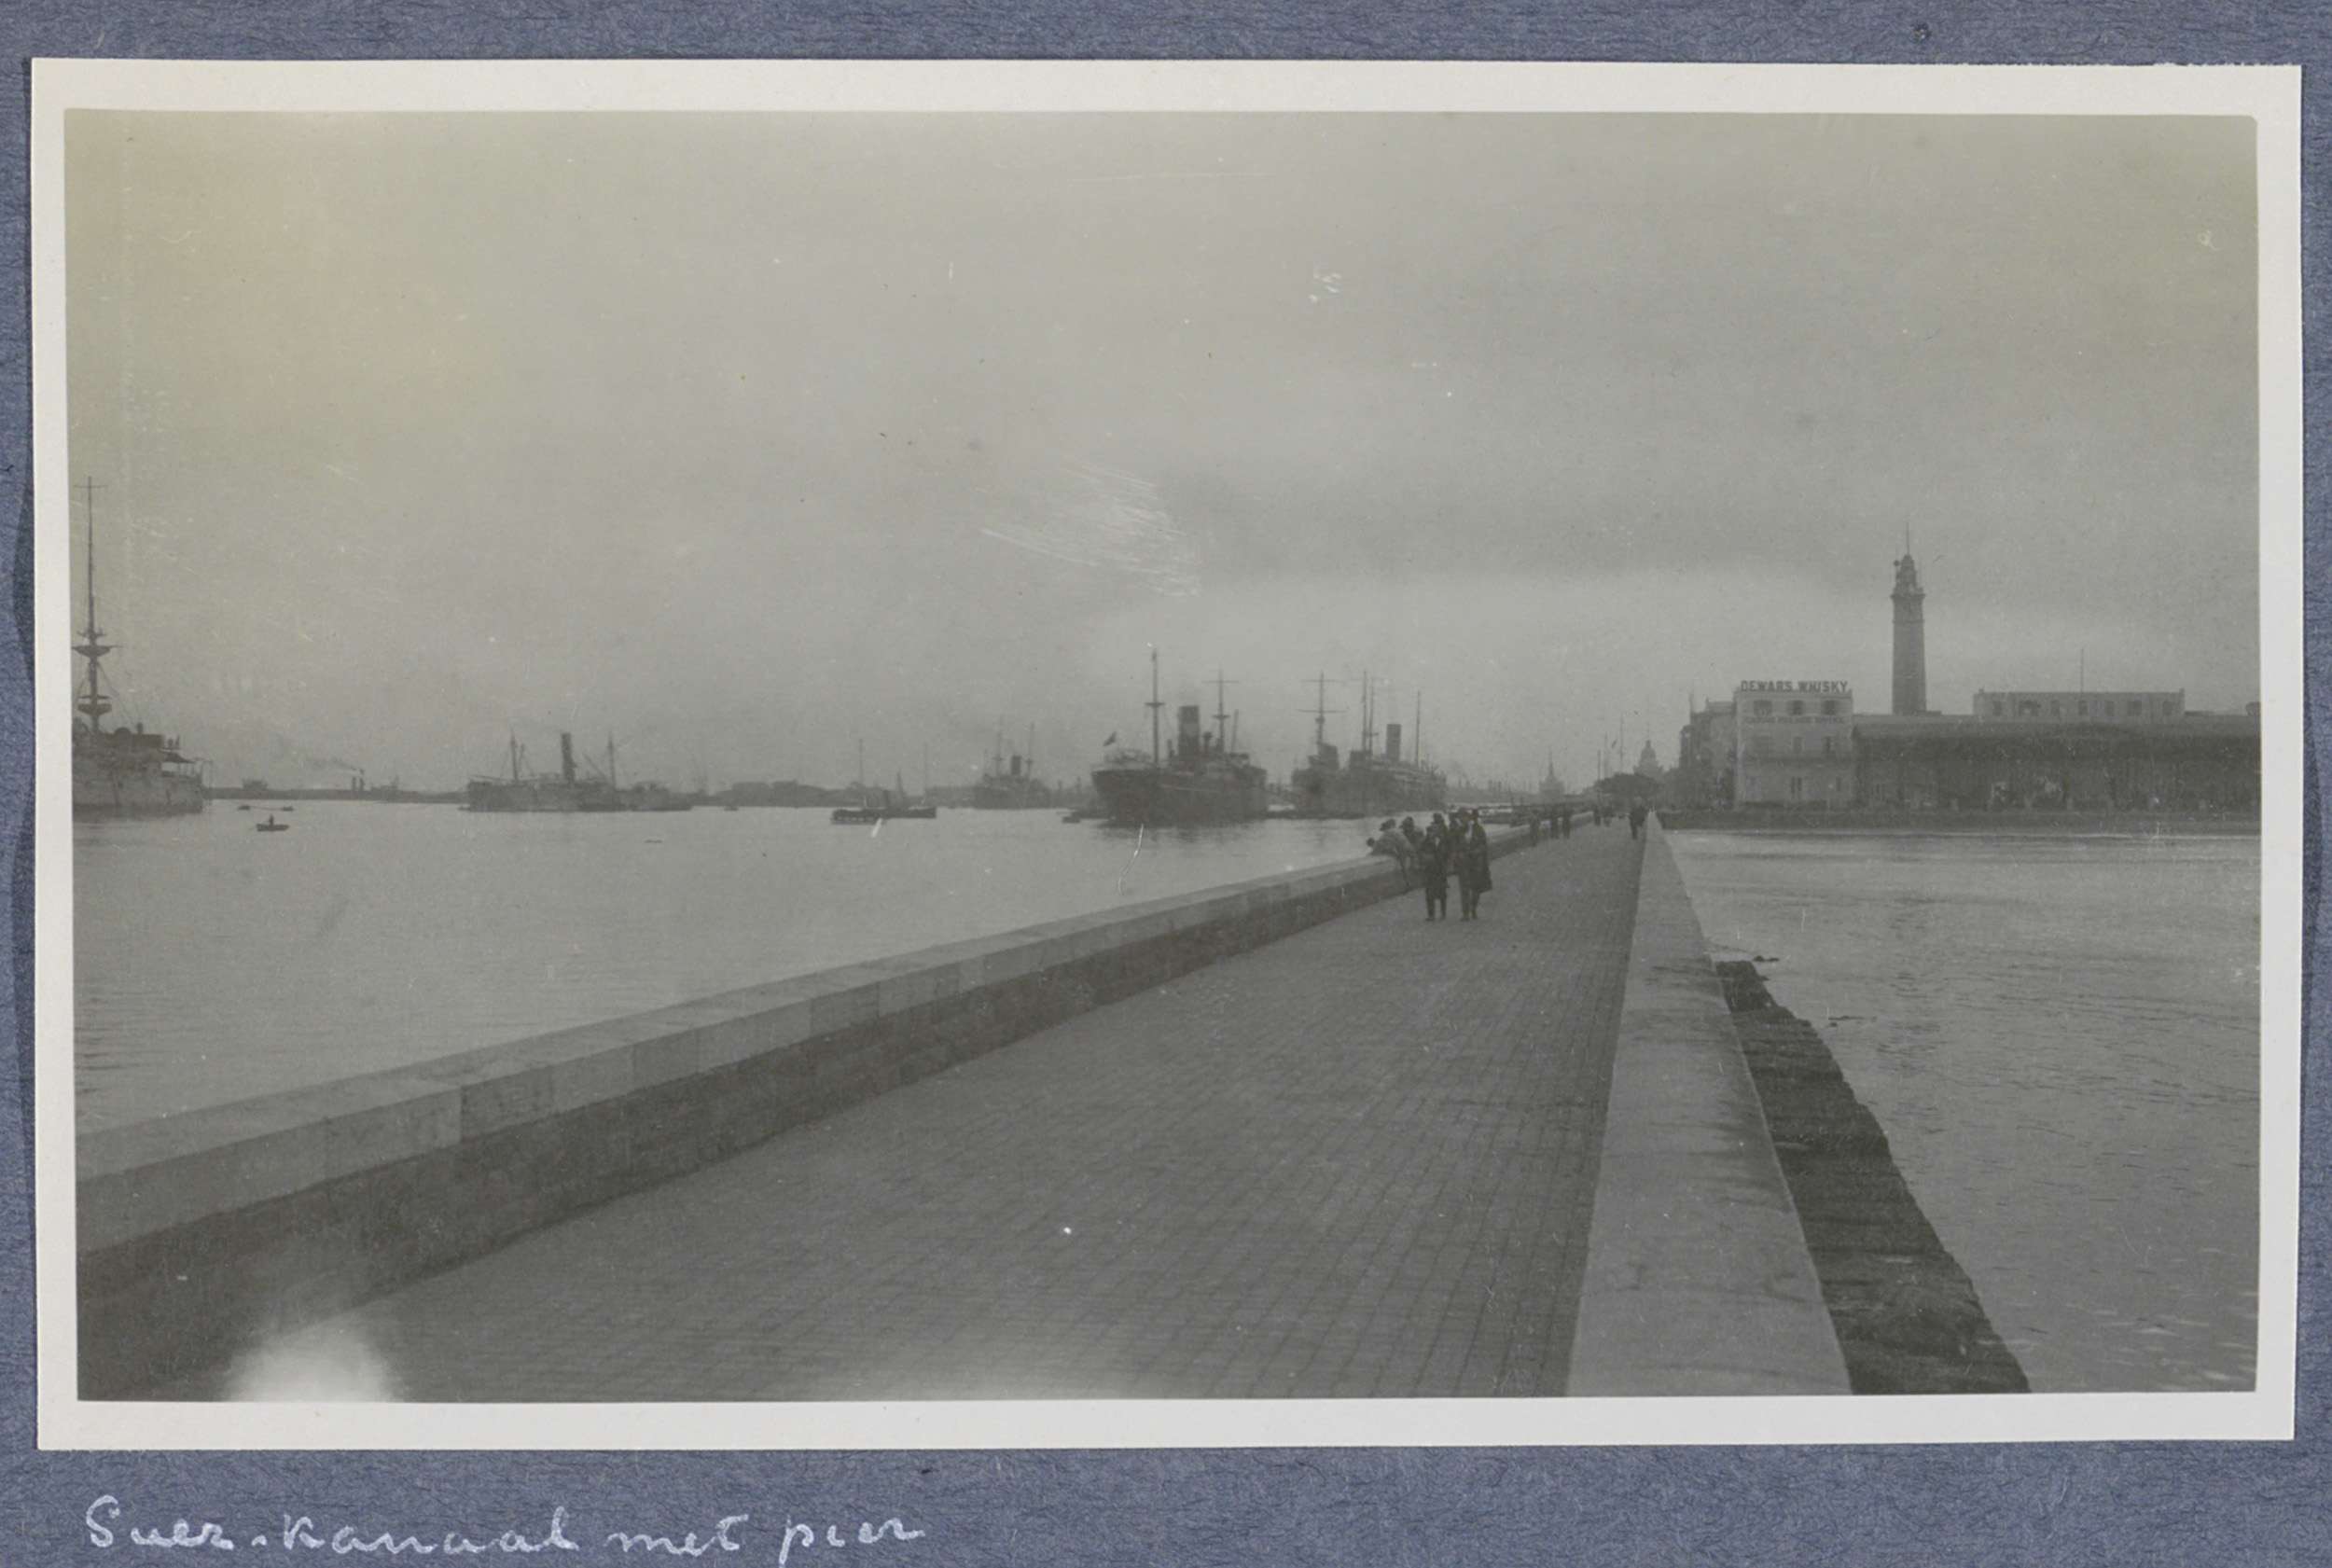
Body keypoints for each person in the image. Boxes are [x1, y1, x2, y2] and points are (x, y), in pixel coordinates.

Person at [1457, 811, 1493, 920]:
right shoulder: (1458, 831)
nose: (1461, 820)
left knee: (1476, 889)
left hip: (1476, 863)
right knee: (1464, 888)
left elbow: (1484, 845)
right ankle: (1465, 913)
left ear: (1469, 818)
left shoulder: (1478, 829)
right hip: (1463, 864)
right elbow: (1454, 846)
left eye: (1463, 817)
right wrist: (1459, 854)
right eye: (1460, 818)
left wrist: (1476, 852)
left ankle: (1473, 908)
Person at [1418, 814, 1451, 921]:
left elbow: (1447, 854)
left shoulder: (1443, 841)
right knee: (1429, 894)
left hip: (1440, 870)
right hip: (1430, 870)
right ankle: (1431, 915)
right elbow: (1419, 852)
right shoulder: (1425, 842)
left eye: (1433, 831)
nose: (1431, 833)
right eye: (1429, 831)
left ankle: (1443, 913)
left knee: (1442, 894)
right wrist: (1426, 858)